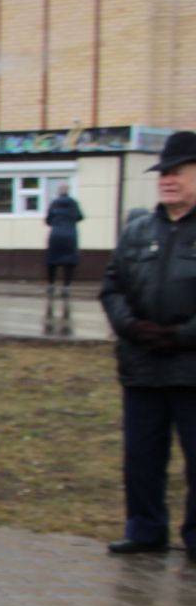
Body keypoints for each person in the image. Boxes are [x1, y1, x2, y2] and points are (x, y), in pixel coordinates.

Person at [100, 130, 196, 559]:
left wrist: (180, 335)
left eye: (178, 171)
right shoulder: (138, 230)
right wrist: (131, 327)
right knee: (141, 459)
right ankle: (144, 529)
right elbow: (112, 287)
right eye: (163, 172)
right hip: (141, 366)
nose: (167, 179)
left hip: (191, 368)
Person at [45, 185, 84, 300]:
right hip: (70, 235)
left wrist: (57, 223)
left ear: (58, 192)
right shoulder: (73, 203)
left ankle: (51, 285)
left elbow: (48, 220)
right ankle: (66, 287)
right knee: (69, 261)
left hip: (55, 235)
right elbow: (80, 217)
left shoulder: (54, 203)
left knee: (52, 261)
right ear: (68, 191)